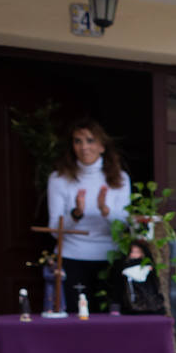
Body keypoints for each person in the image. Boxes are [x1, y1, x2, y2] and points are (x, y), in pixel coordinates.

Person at [46, 119, 130, 314]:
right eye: (78, 141)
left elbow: (125, 224)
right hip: (71, 257)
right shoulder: (58, 179)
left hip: (108, 258)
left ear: (102, 146)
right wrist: (76, 214)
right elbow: (53, 229)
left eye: (90, 140)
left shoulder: (120, 178)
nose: (84, 147)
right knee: (76, 317)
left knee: (108, 319)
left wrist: (106, 211)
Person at [110, 239, 167, 316]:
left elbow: (154, 286)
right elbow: (117, 289)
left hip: (148, 300)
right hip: (130, 300)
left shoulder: (148, 266)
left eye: (137, 252)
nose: (134, 254)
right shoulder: (123, 267)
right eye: (132, 252)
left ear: (143, 253)